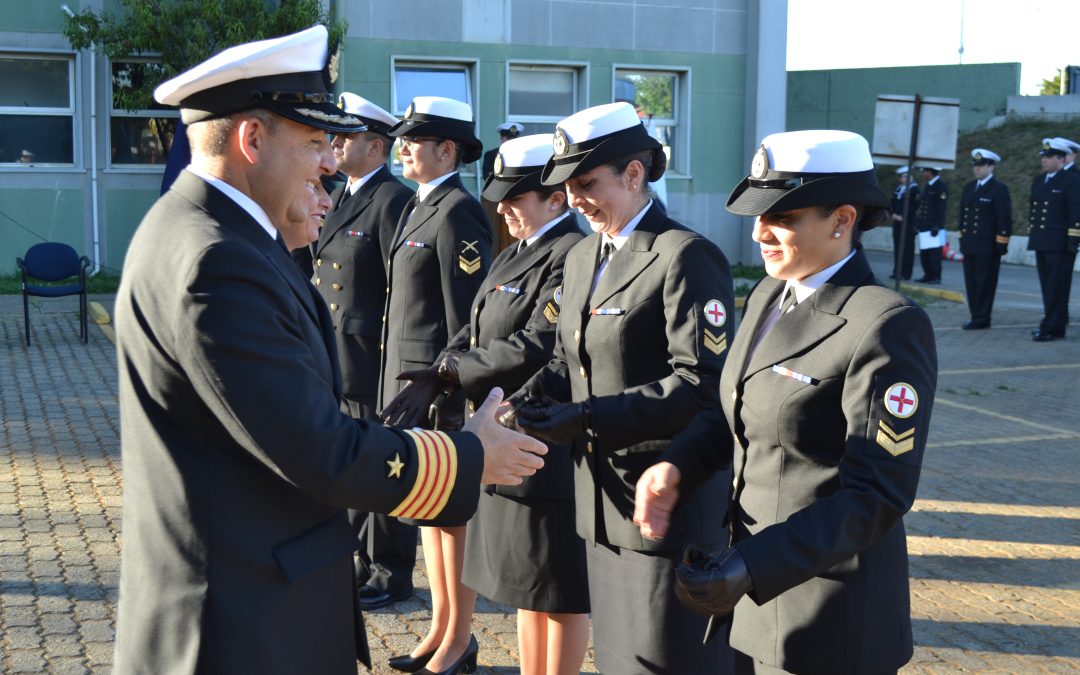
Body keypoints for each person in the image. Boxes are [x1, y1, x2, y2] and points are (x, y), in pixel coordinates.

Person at [111, 26, 546, 675]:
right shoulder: (217, 260)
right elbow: (318, 449)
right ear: (251, 139)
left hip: (254, 602)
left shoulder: (212, 233)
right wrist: (470, 454)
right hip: (238, 626)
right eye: (315, 141)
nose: (328, 162)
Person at [634, 129, 937, 675]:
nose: (759, 233)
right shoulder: (771, 293)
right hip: (754, 596)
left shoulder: (886, 324)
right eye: (757, 215)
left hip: (829, 611)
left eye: (783, 217)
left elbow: (878, 494)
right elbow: (734, 411)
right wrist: (676, 465)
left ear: (842, 220)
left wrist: (753, 563)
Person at [501, 101, 735, 674]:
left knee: (665, 657)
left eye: (586, 183)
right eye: (567, 186)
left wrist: (584, 419)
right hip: (598, 501)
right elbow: (564, 357)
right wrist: (520, 403)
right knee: (621, 659)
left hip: (664, 503)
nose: (575, 199)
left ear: (635, 174)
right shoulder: (584, 256)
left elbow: (701, 386)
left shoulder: (685, 256)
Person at [382, 133, 589, 675]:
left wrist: (454, 372)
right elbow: (472, 329)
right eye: (500, 196)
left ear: (556, 199)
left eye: (516, 197)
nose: (503, 208)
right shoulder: (517, 253)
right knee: (525, 582)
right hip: (498, 425)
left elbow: (539, 345)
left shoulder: (568, 254)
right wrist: (440, 370)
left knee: (552, 583)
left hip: (534, 426)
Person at [378, 95, 493, 674]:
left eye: (413, 140)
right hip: (412, 392)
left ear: (446, 149)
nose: (401, 148)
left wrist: (445, 388)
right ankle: (440, 630)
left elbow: (467, 320)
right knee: (430, 514)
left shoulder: (458, 212)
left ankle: (459, 640)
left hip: (440, 394)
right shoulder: (419, 205)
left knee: (453, 517)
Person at [310, 94, 416, 609]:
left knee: (384, 461)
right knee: (354, 460)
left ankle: (392, 569)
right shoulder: (343, 193)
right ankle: (360, 558)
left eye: (346, 137)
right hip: (340, 352)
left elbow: (403, 285)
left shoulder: (392, 199)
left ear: (377, 146)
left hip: (371, 355)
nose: (335, 144)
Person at [1028, 137, 1080, 342]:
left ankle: (1054, 328)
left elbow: (1076, 213)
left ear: (1062, 159)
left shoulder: (1070, 181)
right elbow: (1034, 211)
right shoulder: (1039, 181)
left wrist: (1072, 241)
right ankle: (1049, 323)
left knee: (1057, 288)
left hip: (1060, 244)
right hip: (1042, 241)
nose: (1045, 161)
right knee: (1047, 286)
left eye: (1050, 157)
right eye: (1044, 157)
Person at [958, 148, 1012, 330]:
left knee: (985, 284)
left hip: (988, 246)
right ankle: (975, 315)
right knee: (971, 283)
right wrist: (962, 238)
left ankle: (982, 317)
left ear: (991, 167)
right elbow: (962, 216)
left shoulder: (998, 189)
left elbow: (1003, 218)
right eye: (975, 166)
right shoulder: (969, 187)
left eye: (981, 166)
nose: (977, 169)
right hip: (970, 244)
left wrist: (1001, 243)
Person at [915, 166, 947, 283]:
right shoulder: (929, 185)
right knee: (925, 253)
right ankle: (927, 275)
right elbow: (923, 206)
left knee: (934, 255)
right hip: (924, 225)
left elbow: (941, 209)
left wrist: (938, 225)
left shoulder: (940, 186)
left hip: (934, 227)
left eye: (925, 171)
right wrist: (918, 223)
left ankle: (935, 276)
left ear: (930, 172)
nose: (924, 173)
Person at [889, 165, 919, 280]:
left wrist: (903, 216)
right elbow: (892, 203)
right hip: (897, 222)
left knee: (907, 249)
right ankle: (897, 271)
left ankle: (906, 273)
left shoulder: (914, 189)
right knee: (898, 247)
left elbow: (914, 206)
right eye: (903, 177)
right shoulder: (899, 189)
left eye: (907, 176)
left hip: (908, 223)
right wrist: (893, 214)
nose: (905, 179)